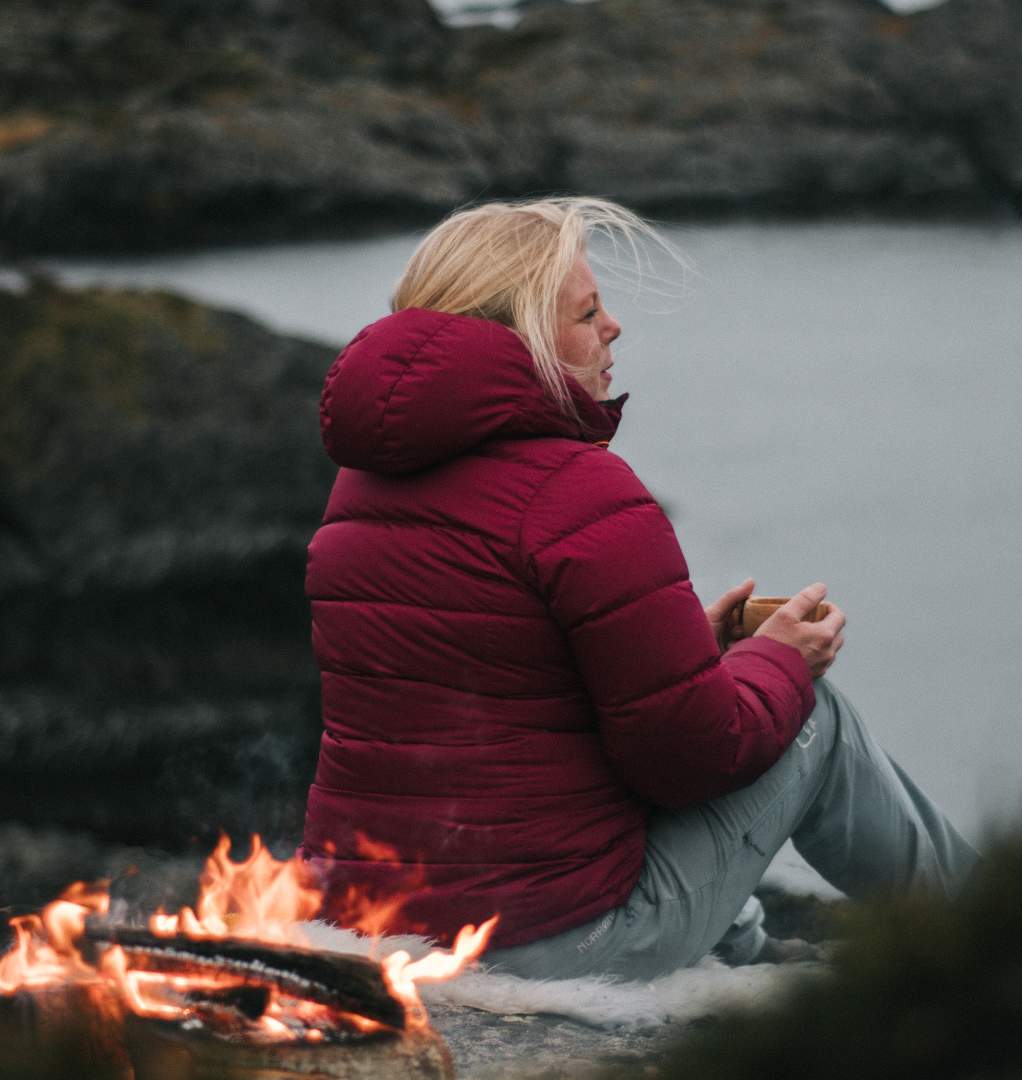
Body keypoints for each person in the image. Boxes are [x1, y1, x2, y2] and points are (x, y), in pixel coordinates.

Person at [299, 196, 977, 980]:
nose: (613, 327)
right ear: (526, 336)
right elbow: (690, 759)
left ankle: (742, 954)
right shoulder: (579, 488)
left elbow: (510, 686)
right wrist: (783, 661)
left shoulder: (361, 488)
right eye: (588, 312)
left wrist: (691, 653)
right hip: (552, 945)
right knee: (813, 717)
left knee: (701, 702)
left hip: (372, 925)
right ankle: (1001, 928)